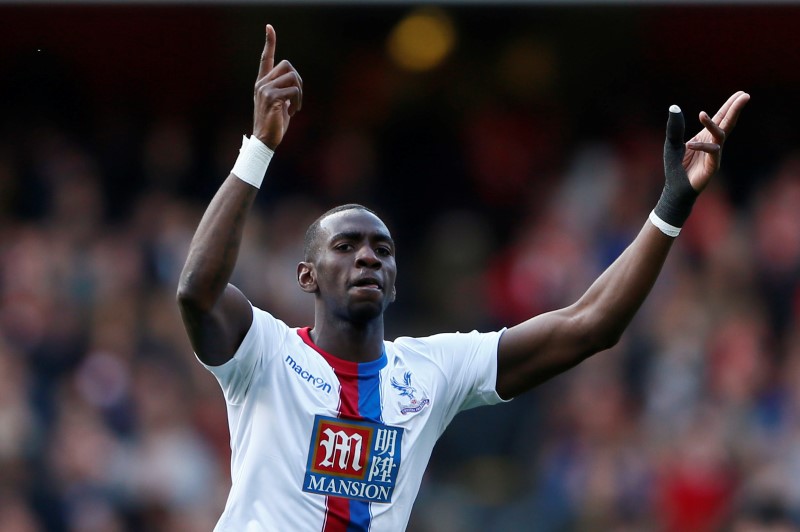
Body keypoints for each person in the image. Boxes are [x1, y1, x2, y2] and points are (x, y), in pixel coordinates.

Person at [176, 23, 749, 532]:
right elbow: (196, 291)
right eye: (345, 246)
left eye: (383, 249)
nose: (368, 257)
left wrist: (672, 203)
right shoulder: (265, 356)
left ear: (397, 281)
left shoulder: (430, 372)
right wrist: (258, 149)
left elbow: (589, 325)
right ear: (306, 276)